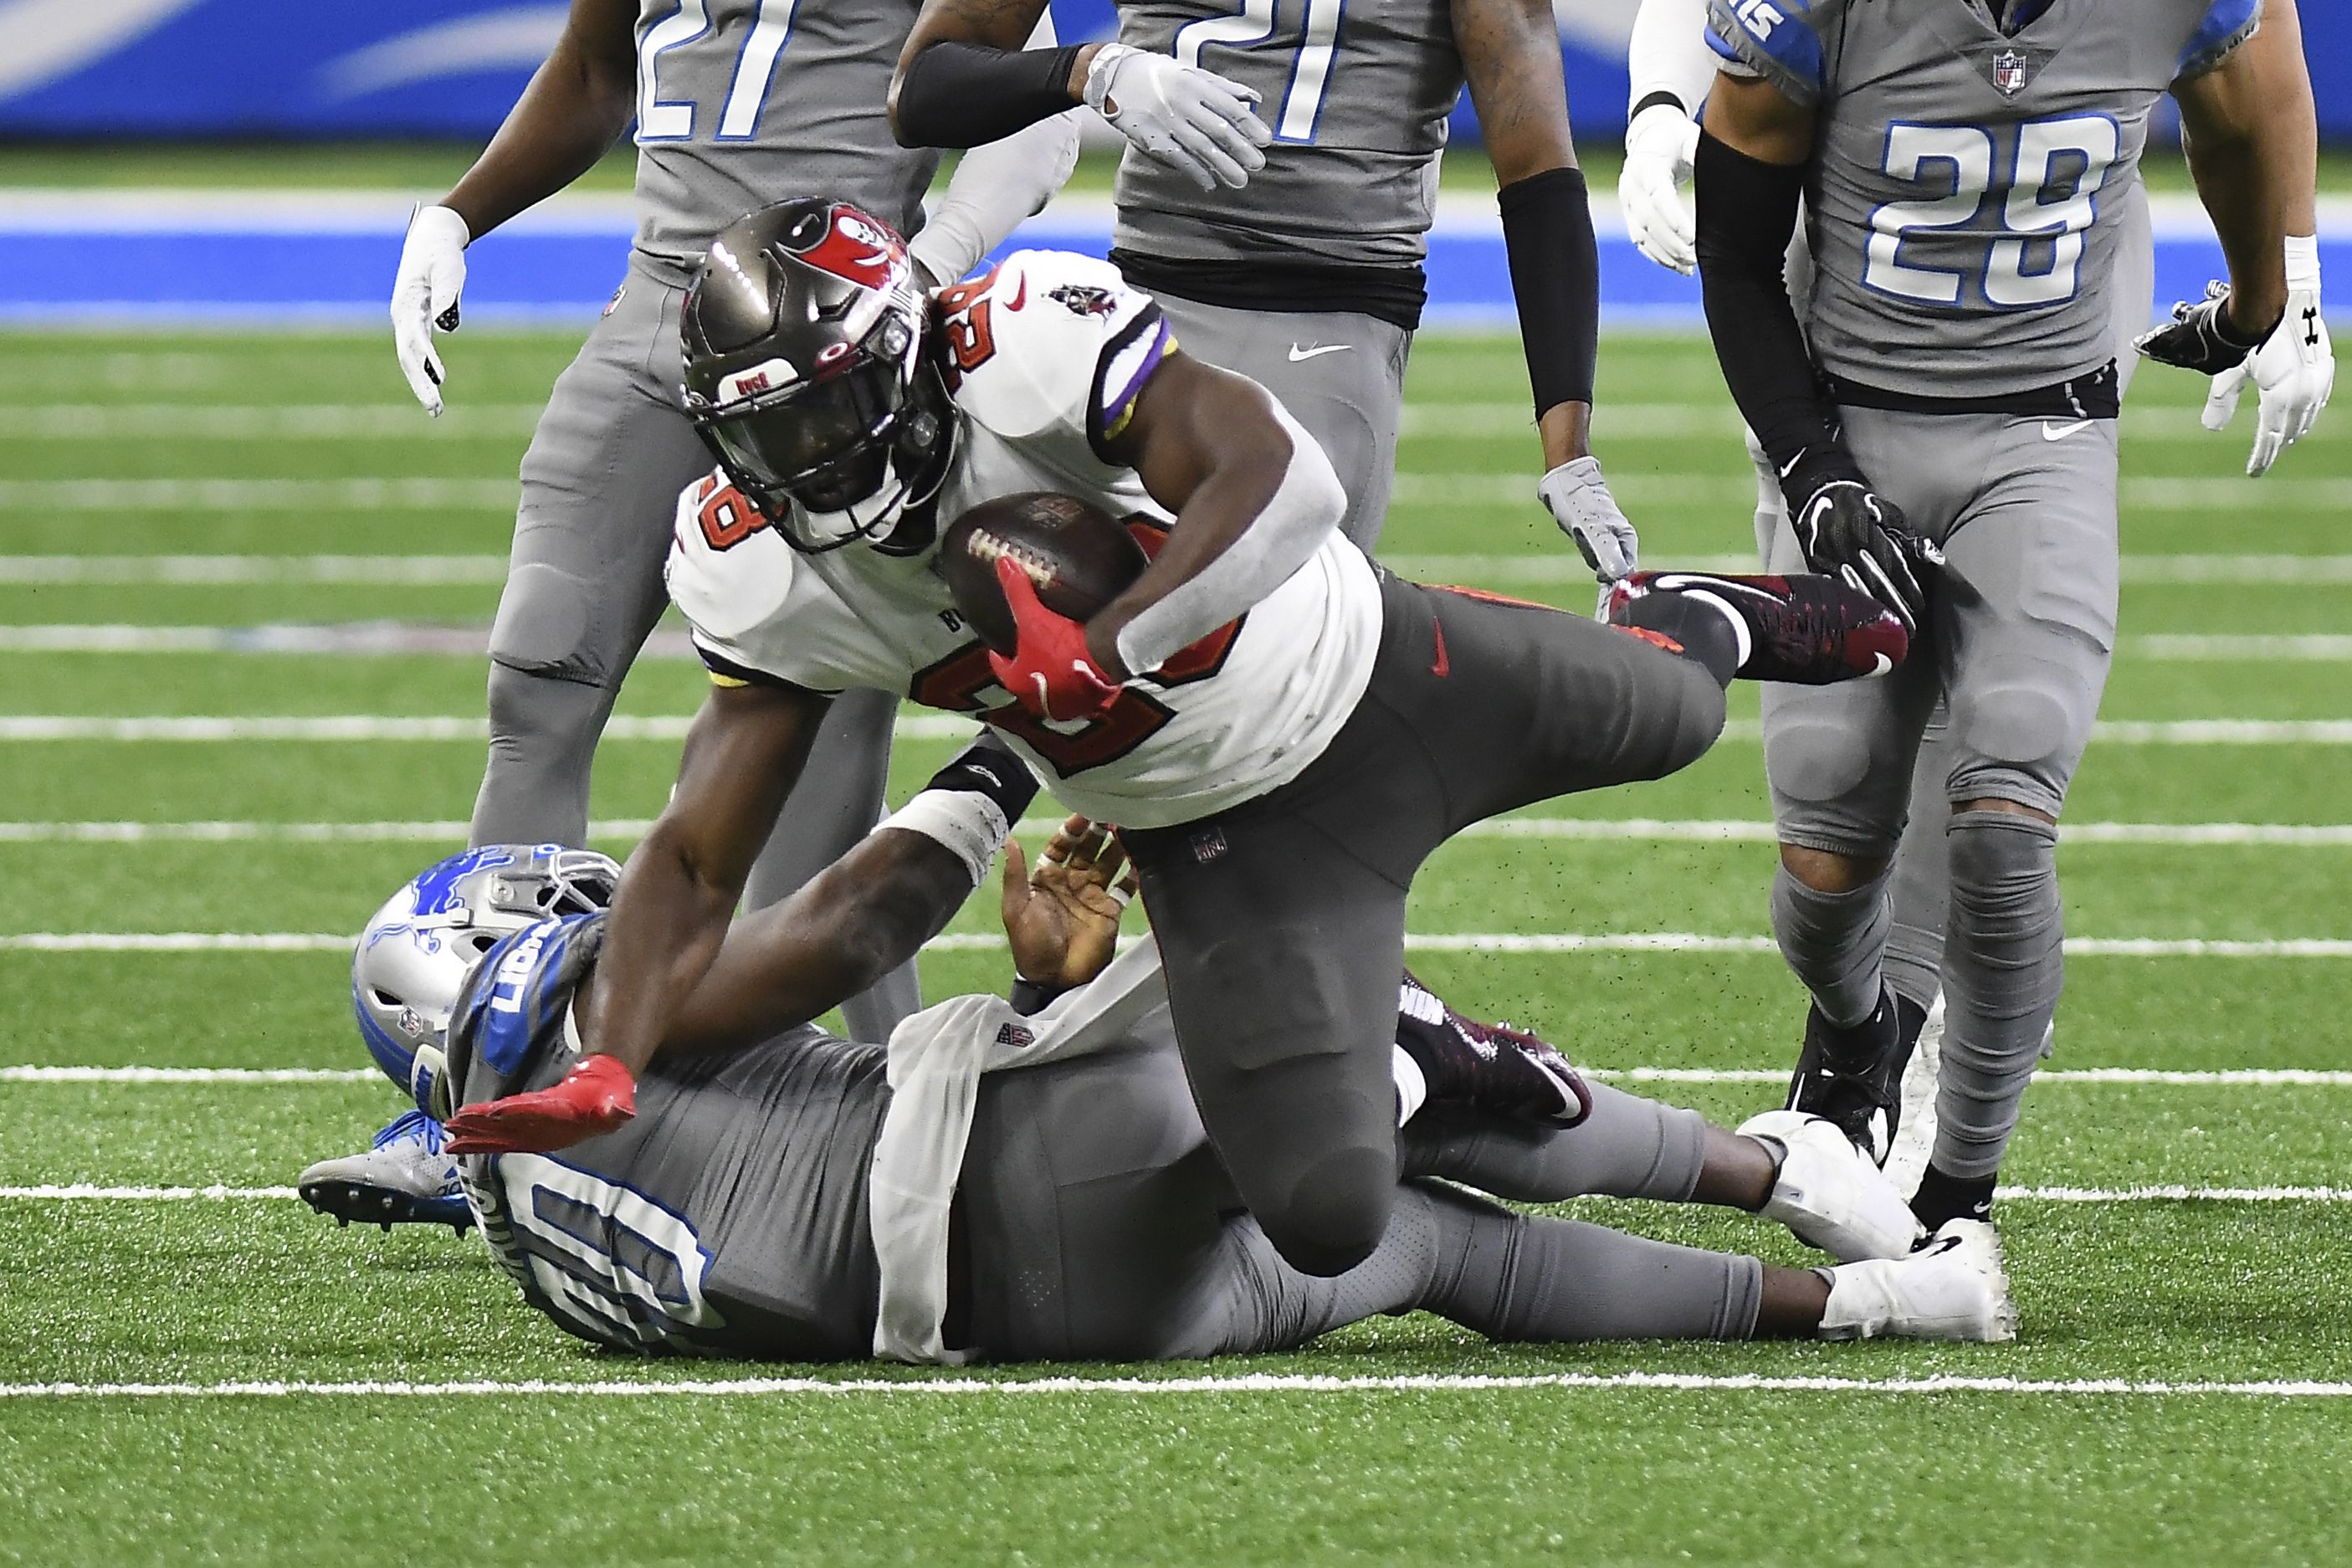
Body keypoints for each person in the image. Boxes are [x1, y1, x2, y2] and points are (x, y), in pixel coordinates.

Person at [434, 199, 1919, 1292]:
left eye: (833, 415)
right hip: (1221, 830)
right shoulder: (763, 566)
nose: (810, 465)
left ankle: (1690, 618)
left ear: (904, 358)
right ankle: (1435, 1057)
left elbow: (1285, 481)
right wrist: (612, 1055)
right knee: (1327, 1210)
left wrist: (1122, 637)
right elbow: (700, 846)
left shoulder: (1019, 343)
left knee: (1670, 718)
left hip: (1372, 660)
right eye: (775, 437)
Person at [331, 792, 2012, 1362]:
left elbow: (789, 1183)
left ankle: (1877, 1315)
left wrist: (1036, 999)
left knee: (1431, 1249)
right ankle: (1790, 1174)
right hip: (1017, 1169)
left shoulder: (521, 1215)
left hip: (1027, 1315)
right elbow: (852, 927)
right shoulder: (592, 1033)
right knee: (1372, 1039)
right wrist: (1002, 731)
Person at [1692, 0, 2332, 1236]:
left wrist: (2263, 302)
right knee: (1824, 844)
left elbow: (2240, 117)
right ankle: (1854, 1029)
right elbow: (1735, 251)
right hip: (1850, 419)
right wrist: (1810, 469)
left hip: (2040, 430)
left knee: (2003, 807)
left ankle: (1957, 1193)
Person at [384, 0, 1084, 1043]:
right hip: (660, 319)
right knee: (539, 679)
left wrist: (933, 259)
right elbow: (592, 70)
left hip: (839, 353)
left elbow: (1035, 104)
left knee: (820, 783)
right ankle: (492, 1086)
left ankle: (890, 1098)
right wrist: (456, 214)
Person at [880, 0, 1642, 581]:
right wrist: (1088, 73)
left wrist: (1566, 450)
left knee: (1248, 658)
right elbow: (923, 89)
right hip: (1139, 305)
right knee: (1029, 623)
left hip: (1333, 313)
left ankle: (981, 788)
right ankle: (980, 788)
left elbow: (1536, 164)